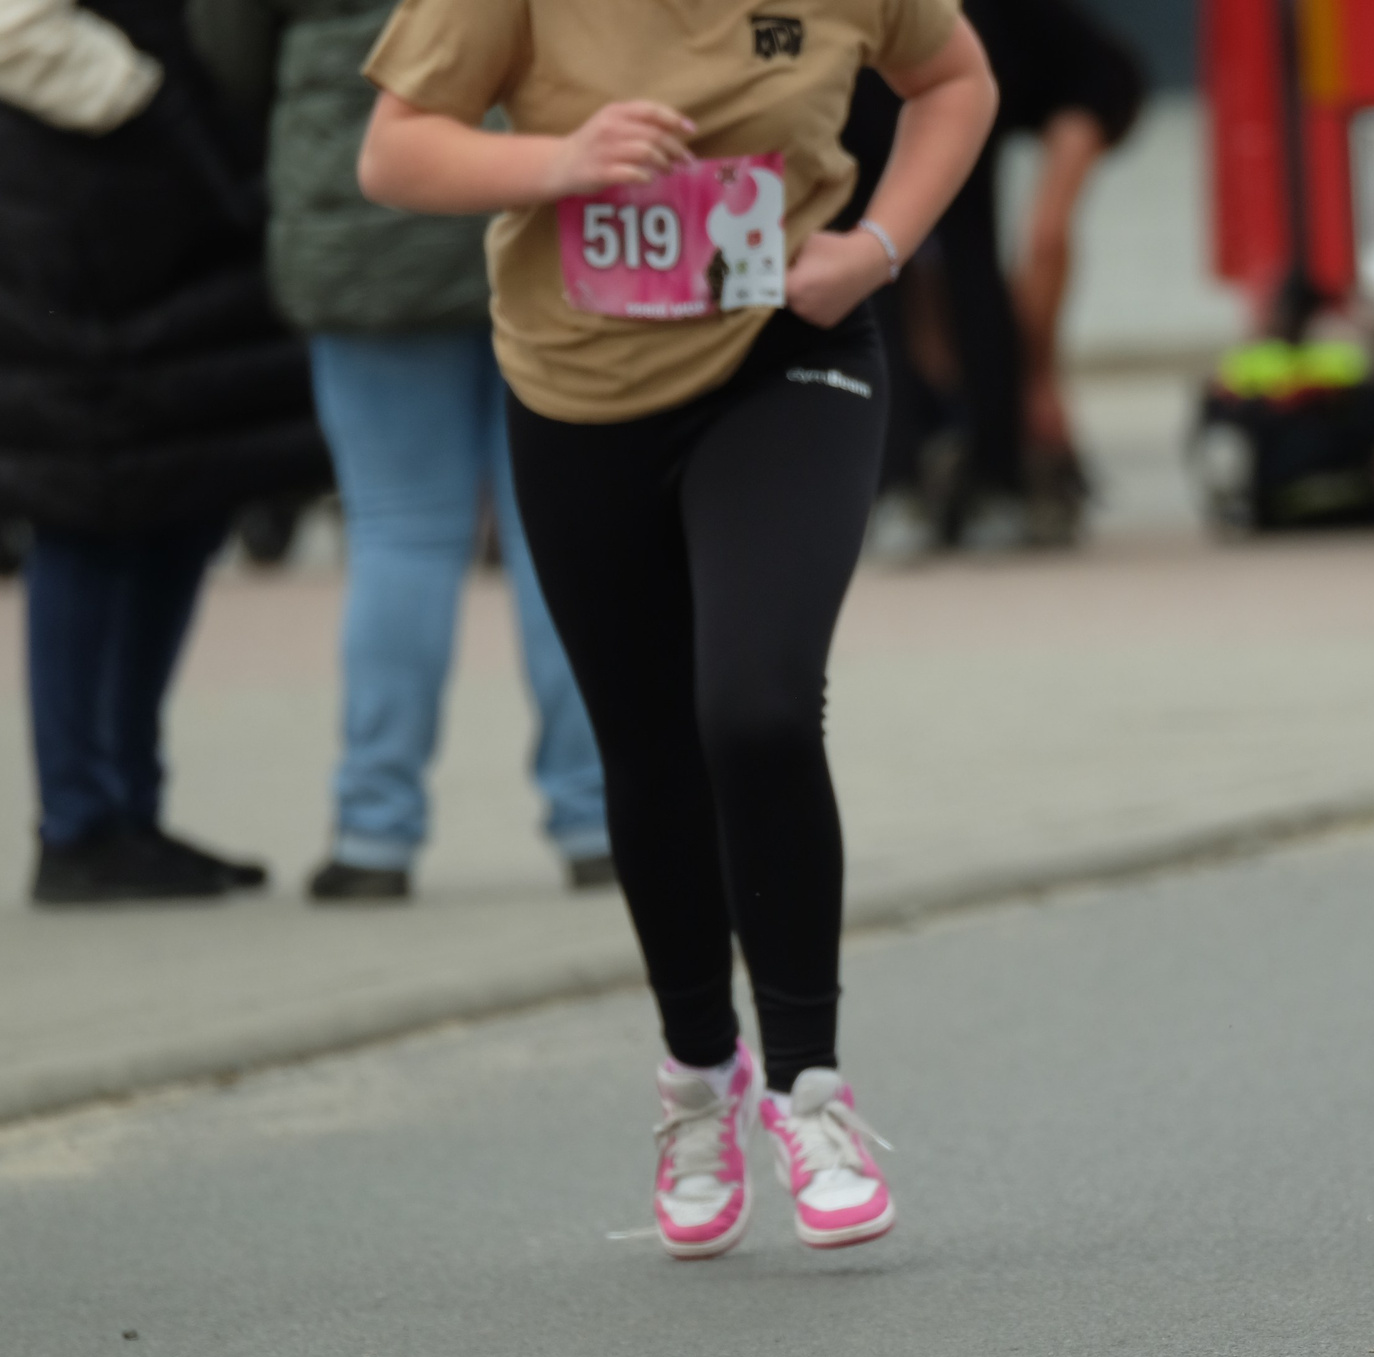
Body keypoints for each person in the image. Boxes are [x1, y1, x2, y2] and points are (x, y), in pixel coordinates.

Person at [354, 0, 996, 1256]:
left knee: (753, 705)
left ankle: (810, 1089)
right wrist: (558, 162)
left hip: (787, 351)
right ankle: (699, 1077)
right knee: (644, 752)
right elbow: (393, 149)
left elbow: (957, 80)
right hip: (580, 389)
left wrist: (876, 245)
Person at [187, 0, 613, 902]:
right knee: (560, 536)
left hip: (363, 213)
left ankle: (375, 832)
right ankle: (597, 818)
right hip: (536, 193)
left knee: (398, 534)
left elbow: (226, 49)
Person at [0, 0, 331, 904]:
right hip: (80, 187)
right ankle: (79, 822)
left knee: (180, 498)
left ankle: (131, 812)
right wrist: (151, 102)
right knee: (84, 507)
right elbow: (6, 26)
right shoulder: (129, 109)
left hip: (176, 180)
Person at [841, 0, 1144, 550]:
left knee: (951, 254)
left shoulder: (999, 28)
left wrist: (1039, 373)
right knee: (881, 269)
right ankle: (923, 477)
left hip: (951, 146)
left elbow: (1103, 80)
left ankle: (984, 474)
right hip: (870, 145)